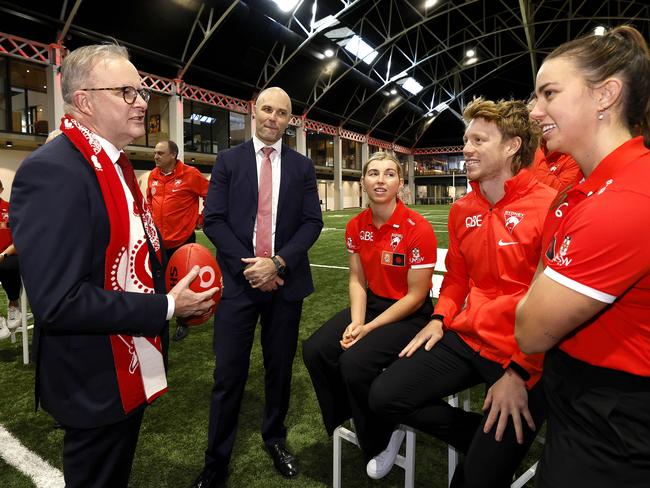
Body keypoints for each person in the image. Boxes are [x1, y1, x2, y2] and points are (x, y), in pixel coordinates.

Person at [9, 44, 218, 488]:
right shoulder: (56, 171)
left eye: (140, 91)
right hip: (94, 378)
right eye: (126, 91)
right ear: (84, 100)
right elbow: (59, 303)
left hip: (124, 368)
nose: (142, 101)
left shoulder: (113, 164)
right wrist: (165, 306)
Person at [369, 98, 556, 487]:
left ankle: (492, 449)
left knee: (475, 480)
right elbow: (455, 277)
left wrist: (520, 372)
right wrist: (440, 318)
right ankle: (480, 436)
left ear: (512, 146)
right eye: (465, 139)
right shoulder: (462, 208)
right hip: (469, 337)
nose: (466, 149)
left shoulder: (550, 205)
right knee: (384, 396)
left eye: (478, 140)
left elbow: (552, 303)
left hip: (524, 353)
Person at [516, 26, 650, 487]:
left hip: (614, 418)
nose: (535, 112)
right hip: (580, 400)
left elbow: (530, 329)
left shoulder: (627, 198)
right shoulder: (581, 194)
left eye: (549, 93)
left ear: (606, 95)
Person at [195, 87, 323, 488]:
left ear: (290, 120)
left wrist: (277, 262)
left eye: (281, 112)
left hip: (285, 282)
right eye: (267, 109)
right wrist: (250, 266)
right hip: (238, 282)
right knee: (228, 374)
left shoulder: (302, 167)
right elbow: (212, 219)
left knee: (279, 368)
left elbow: (311, 223)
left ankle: (275, 437)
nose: (273, 117)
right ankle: (216, 460)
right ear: (254, 111)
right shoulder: (228, 161)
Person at [302, 152, 437, 480]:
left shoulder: (417, 229)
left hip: (410, 314)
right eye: (373, 173)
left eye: (389, 174)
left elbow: (417, 295)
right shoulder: (355, 226)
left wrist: (369, 328)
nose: (380, 179)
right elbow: (357, 281)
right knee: (316, 350)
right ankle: (350, 415)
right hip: (373, 305)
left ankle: (382, 434)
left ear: (399, 183)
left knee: (354, 363)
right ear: (363, 182)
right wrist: (357, 322)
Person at [147, 139, 209, 341]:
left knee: (182, 282)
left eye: (160, 153)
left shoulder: (190, 174)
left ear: (173, 155)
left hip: (183, 241)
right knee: (158, 283)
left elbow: (211, 194)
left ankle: (183, 321)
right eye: (155, 153)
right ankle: (160, 318)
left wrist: (201, 219)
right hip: (157, 241)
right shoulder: (153, 176)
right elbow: (149, 200)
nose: (155, 156)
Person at [527, 94, 583, 191]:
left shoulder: (576, 156)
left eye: (544, 111)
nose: (533, 117)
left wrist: (533, 145)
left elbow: (558, 196)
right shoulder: (524, 149)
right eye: (529, 112)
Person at [0, 178, 21, 339]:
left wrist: (3, 254)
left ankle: (14, 304)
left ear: (1, 189)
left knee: (8, 266)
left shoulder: (10, 209)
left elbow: (20, 238)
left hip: (9, 254)